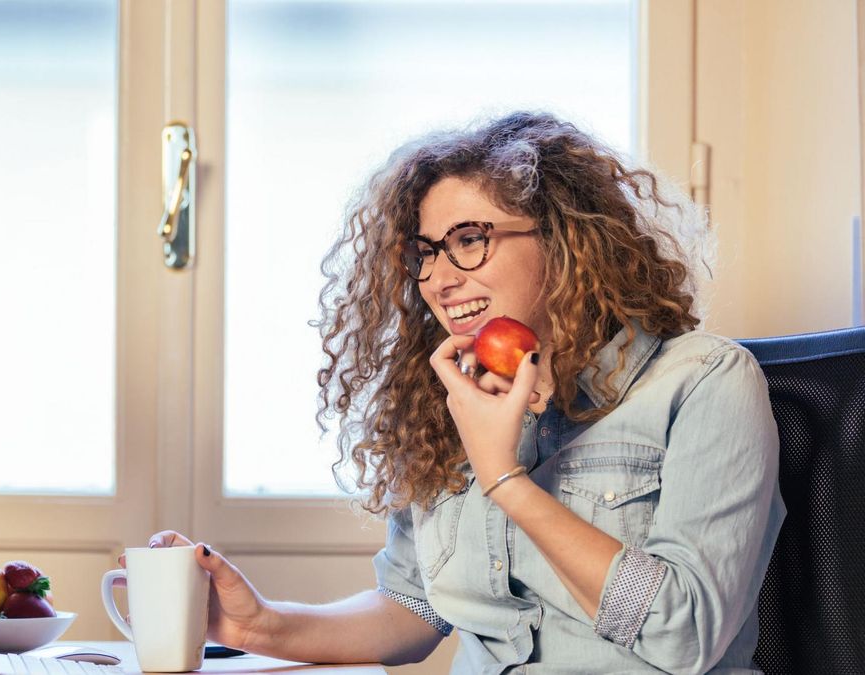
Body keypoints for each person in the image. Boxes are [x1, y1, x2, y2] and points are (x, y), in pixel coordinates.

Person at [144, 112, 785, 674]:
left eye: (469, 241)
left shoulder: (701, 382)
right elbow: (412, 610)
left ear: (564, 241)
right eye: (425, 252)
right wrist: (260, 626)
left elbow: (685, 634)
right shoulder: (449, 401)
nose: (437, 279)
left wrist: (505, 478)